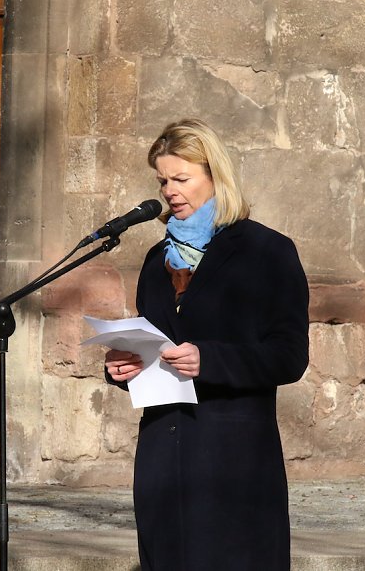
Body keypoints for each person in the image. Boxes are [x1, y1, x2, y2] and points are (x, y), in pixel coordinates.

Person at [104, 118, 309, 570]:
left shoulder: (267, 251)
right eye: (163, 180)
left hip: (233, 462)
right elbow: (152, 343)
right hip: (163, 457)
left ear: (215, 176)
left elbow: (290, 356)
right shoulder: (157, 260)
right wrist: (121, 366)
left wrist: (210, 359)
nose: (170, 190)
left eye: (181, 178)